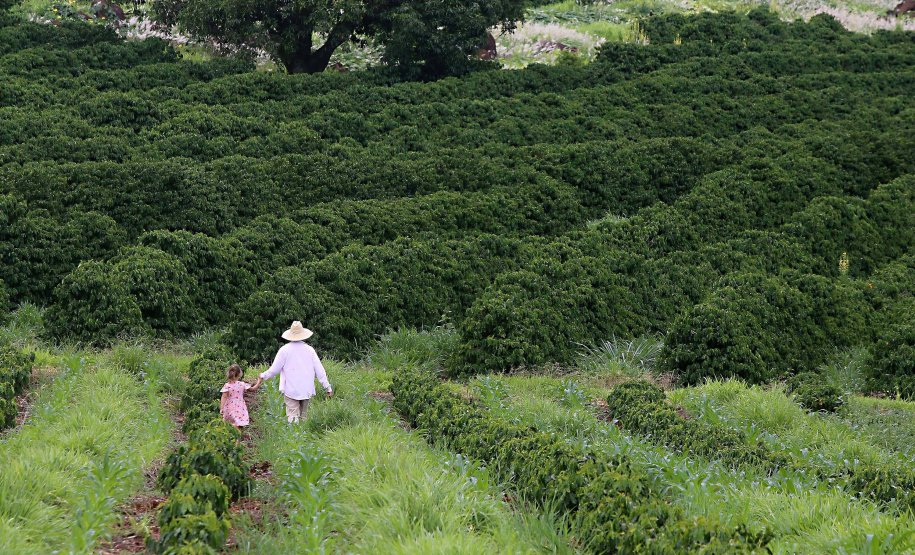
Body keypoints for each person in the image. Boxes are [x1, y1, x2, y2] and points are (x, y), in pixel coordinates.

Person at [253, 321, 333, 423]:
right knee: (304, 416)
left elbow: (274, 369)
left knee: (292, 417)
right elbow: (319, 370)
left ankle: (294, 436)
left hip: (291, 389)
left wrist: (263, 375)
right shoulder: (310, 350)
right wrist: (327, 387)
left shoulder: (284, 350)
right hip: (306, 389)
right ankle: (304, 436)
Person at [220, 364, 259, 432]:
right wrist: (259, 382)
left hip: (229, 408)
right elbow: (252, 389)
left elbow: (224, 396)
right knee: (239, 427)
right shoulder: (242, 384)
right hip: (239, 408)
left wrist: (222, 408)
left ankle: (229, 440)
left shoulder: (227, 386)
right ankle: (236, 442)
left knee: (228, 425)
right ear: (240, 374)